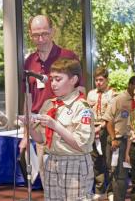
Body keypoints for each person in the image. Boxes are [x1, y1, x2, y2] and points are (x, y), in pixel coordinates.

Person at [19, 14, 85, 187]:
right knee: (48, 180)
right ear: (30, 35)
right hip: (41, 126)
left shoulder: (68, 56)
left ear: (52, 31)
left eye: (44, 34)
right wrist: (26, 134)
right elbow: (28, 98)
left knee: (71, 182)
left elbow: (81, 91)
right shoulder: (29, 62)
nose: (40, 39)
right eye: (35, 35)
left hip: (65, 125)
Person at [28, 57, 94, 200]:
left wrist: (55, 126)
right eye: (51, 79)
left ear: (73, 80)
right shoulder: (49, 105)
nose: (53, 84)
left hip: (75, 162)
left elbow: (81, 144)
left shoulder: (82, 107)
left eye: (58, 79)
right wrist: (29, 126)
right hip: (52, 161)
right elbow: (41, 139)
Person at [102, 76, 135, 201]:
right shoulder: (119, 100)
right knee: (120, 175)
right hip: (120, 142)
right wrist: (113, 138)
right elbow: (108, 120)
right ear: (130, 85)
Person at [87, 67, 117, 199]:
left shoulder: (113, 94)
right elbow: (87, 112)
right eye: (96, 80)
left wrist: (102, 127)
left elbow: (112, 115)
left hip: (107, 130)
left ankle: (111, 191)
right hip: (93, 129)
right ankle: (99, 190)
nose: (98, 83)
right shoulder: (91, 94)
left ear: (107, 80)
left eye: (101, 80)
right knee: (96, 162)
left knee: (110, 162)